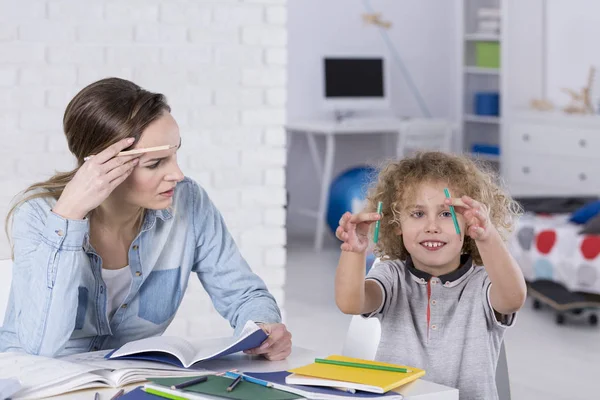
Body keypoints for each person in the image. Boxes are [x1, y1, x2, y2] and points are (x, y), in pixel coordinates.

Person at [0, 77, 291, 360]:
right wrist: (69, 217)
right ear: (103, 166)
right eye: (155, 163)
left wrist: (263, 327)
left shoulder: (188, 202)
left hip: (128, 381)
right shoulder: (39, 216)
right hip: (41, 382)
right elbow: (41, 349)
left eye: (176, 155)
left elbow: (242, 293)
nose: (177, 174)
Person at [334, 152, 526, 400]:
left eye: (446, 214)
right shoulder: (392, 275)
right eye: (417, 214)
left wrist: (487, 235)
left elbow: (513, 298)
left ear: (468, 223)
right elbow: (350, 303)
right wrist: (354, 251)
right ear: (397, 225)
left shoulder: (483, 283)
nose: (432, 226)